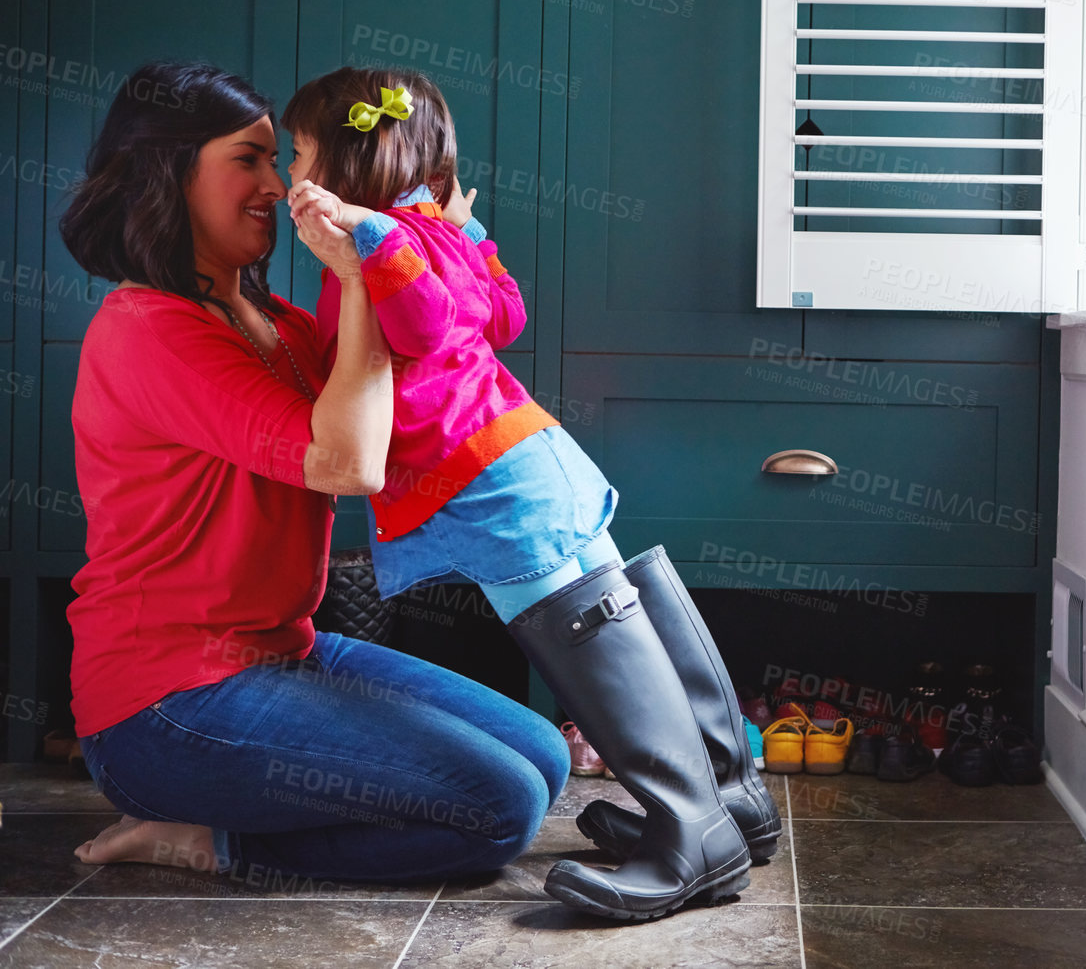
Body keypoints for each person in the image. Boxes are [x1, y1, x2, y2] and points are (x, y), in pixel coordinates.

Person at [278, 66, 780, 920]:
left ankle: (692, 832)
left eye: (298, 154)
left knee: (591, 635)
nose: (292, 175)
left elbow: (427, 325)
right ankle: (729, 799)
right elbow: (503, 315)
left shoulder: (384, 240)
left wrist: (363, 237)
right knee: (626, 607)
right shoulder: (438, 229)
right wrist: (472, 233)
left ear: (344, 166)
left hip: (486, 483)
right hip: (523, 455)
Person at [59, 61, 570, 886]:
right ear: (171, 171)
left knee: (544, 758)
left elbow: (431, 366)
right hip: (166, 704)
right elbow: (349, 462)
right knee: (501, 806)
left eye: (276, 157)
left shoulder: (286, 327)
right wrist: (363, 262)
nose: (278, 182)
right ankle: (213, 842)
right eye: (248, 160)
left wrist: (434, 247)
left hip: (283, 651)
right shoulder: (148, 331)